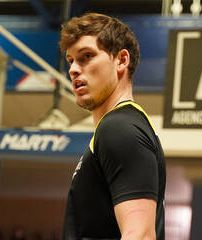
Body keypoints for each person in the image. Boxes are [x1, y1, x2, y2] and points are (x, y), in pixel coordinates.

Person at [58, 12, 166, 240]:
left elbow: (141, 235)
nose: (73, 69)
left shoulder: (119, 128)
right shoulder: (120, 126)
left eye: (86, 56)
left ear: (121, 60)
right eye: (70, 60)